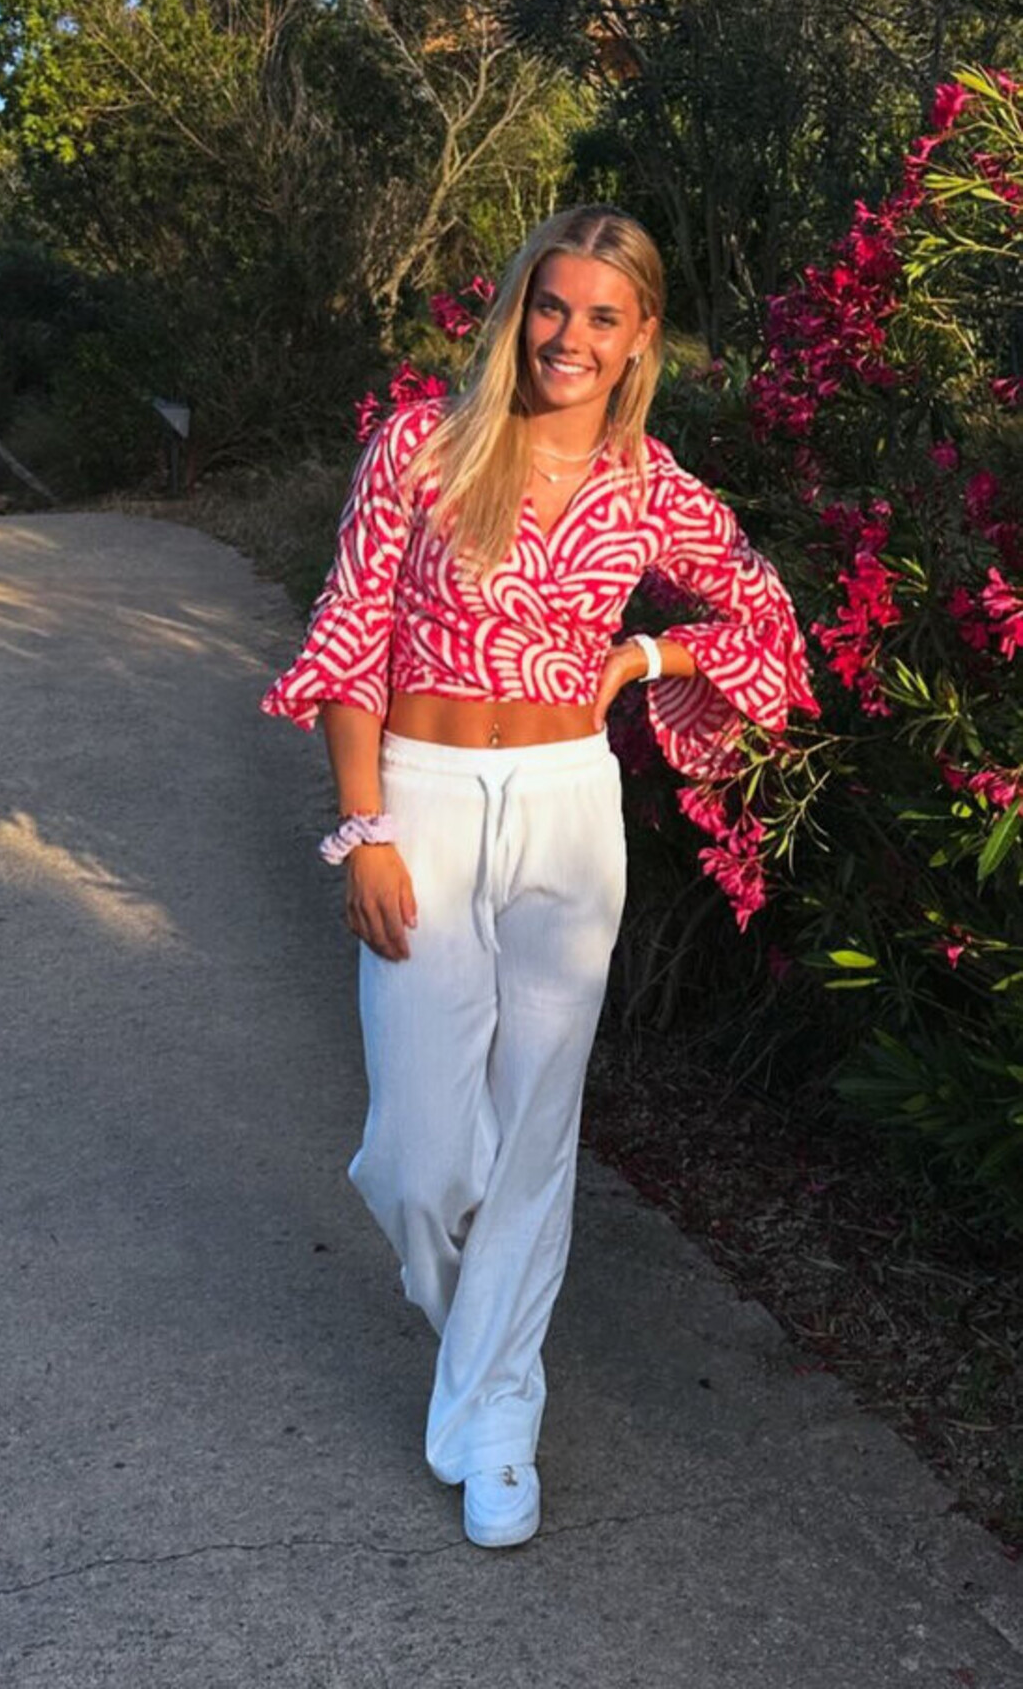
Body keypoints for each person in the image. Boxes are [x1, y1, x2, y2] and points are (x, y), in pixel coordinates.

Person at [262, 204, 818, 1549]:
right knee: (418, 1157)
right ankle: (484, 1351)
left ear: (640, 339)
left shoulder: (650, 488)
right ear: (520, 309)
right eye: (552, 306)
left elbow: (764, 612)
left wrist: (647, 659)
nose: (570, 336)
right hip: (424, 800)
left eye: (602, 317)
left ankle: (499, 1414)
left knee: (534, 1130)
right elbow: (350, 636)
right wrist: (362, 828)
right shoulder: (423, 448)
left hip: (568, 810)